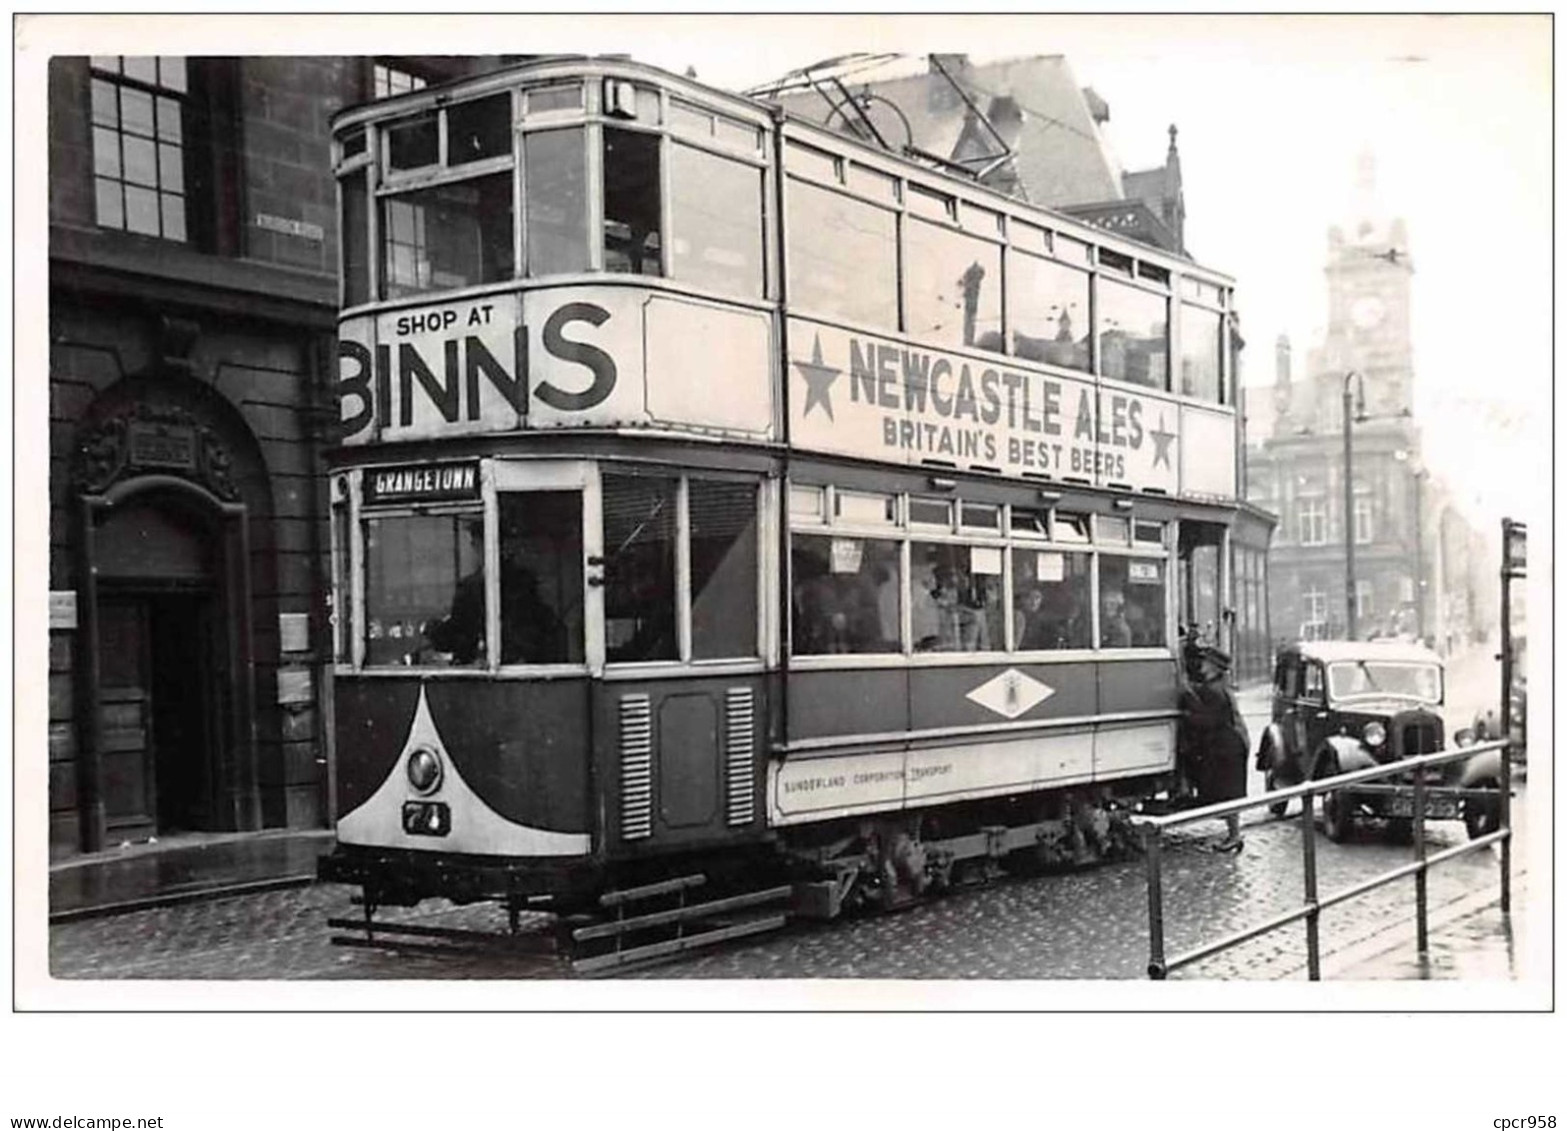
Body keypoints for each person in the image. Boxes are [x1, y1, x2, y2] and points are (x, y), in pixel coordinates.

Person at [1178, 645, 1249, 852]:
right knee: (1229, 792)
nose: (1202, 665)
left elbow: (1208, 720)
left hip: (1226, 746)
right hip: (1231, 743)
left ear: (1214, 668)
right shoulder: (1218, 686)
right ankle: (1234, 835)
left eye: (1206, 662)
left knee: (1227, 793)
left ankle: (1234, 836)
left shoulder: (1214, 690)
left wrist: (1187, 712)